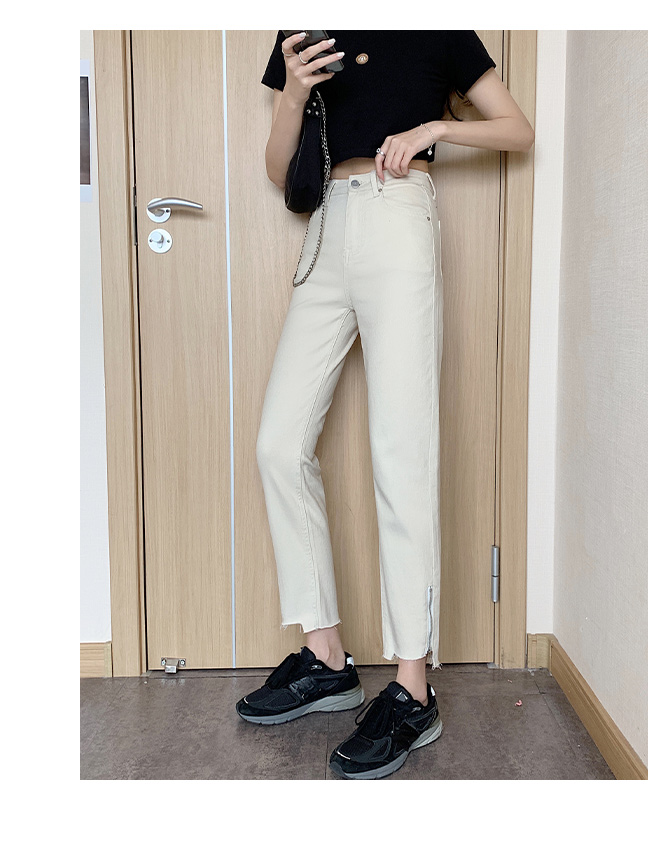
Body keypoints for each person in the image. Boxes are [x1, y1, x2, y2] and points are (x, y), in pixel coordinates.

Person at [236, 30, 535, 780]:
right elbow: (279, 170)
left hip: (399, 214)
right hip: (326, 227)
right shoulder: (306, 32)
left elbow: (517, 129)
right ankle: (327, 655)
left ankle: (412, 685)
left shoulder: (437, 28)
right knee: (278, 444)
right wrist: (296, 89)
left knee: (401, 451)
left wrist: (436, 128)